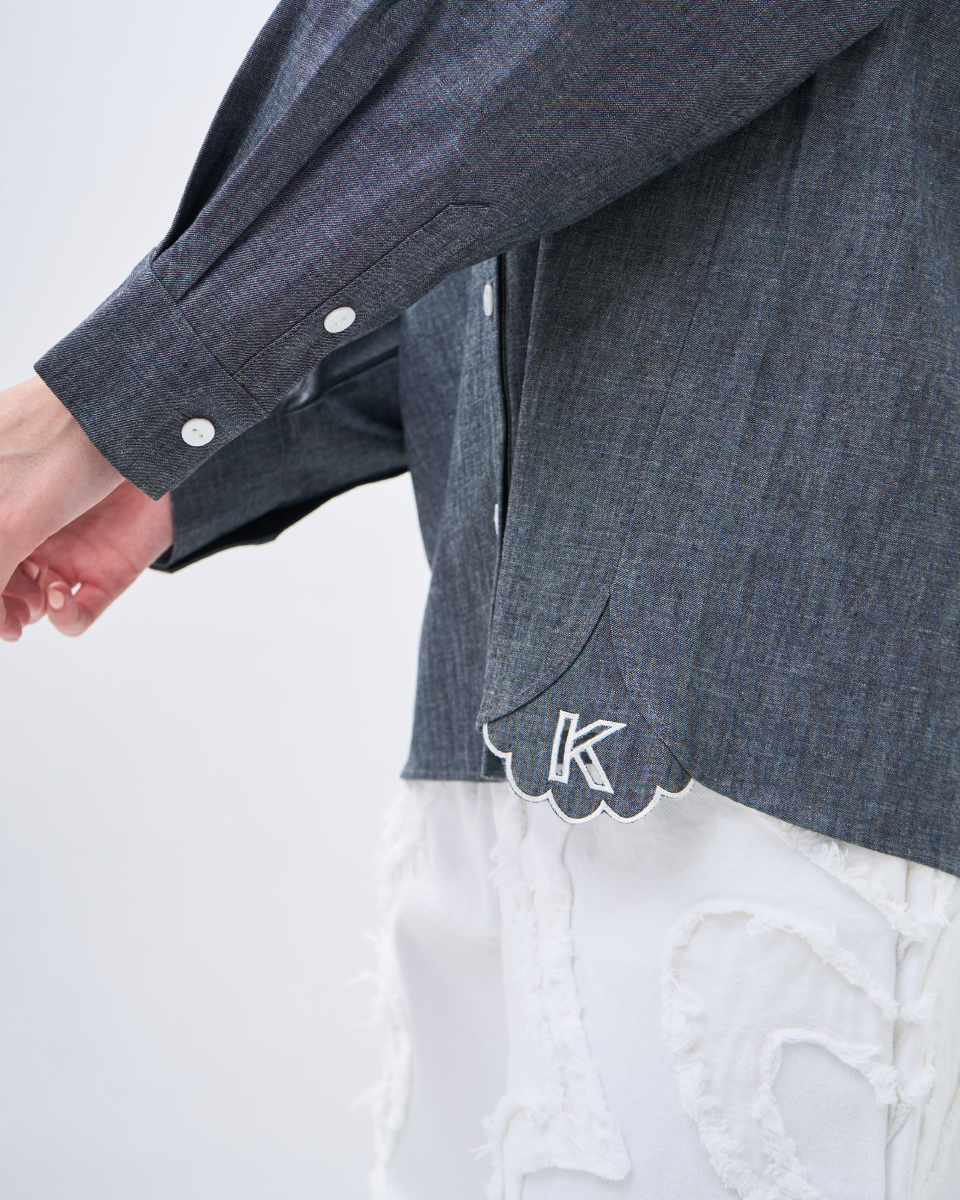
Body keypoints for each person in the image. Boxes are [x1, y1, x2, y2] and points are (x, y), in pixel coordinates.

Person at [2, 0, 960, 1195]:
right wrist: (178, 452)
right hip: (506, 763)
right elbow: (566, 167)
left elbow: (549, 38)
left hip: (794, 753)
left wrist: (119, 397)